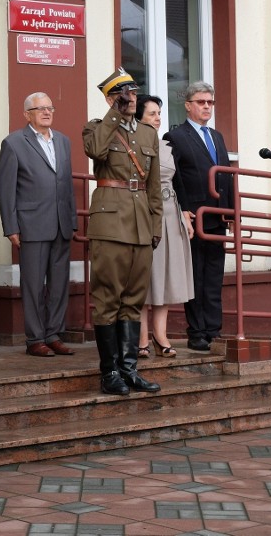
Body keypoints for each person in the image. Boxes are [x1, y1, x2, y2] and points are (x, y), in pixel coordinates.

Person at [82, 68, 162, 396]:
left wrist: (155, 226)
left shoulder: (147, 134)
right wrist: (114, 113)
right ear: (113, 98)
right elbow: (96, 152)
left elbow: (153, 186)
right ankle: (109, 371)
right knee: (107, 298)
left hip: (141, 222)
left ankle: (130, 370)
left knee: (133, 299)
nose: (132, 98)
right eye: (124, 94)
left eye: (134, 92)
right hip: (110, 223)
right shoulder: (96, 128)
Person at [0, 92, 77, 357]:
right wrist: (11, 226)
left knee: (58, 284)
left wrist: (72, 220)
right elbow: (5, 188)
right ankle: (35, 339)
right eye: (39, 108)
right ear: (26, 114)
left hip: (61, 224)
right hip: (31, 224)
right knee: (32, 284)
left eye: (49, 107)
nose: (46, 112)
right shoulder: (14, 143)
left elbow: (66, 185)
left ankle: (53, 334)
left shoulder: (63, 141)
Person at [163, 82, 234, 352]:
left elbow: (225, 174)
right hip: (193, 217)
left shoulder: (216, 136)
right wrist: (181, 210)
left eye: (210, 102)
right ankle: (197, 331)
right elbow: (175, 177)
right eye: (201, 102)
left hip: (218, 217)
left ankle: (213, 329)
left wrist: (231, 211)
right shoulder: (176, 136)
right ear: (188, 105)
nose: (206, 106)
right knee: (194, 275)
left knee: (214, 275)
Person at [135, 95, 195, 358]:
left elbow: (179, 184)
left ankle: (161, 336)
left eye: (159, 113)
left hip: (171, 215)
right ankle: (140, 340)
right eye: (152, 114)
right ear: (138, 118)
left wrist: (184, 216)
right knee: (144, 279)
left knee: (166, 278)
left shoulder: (169, 146)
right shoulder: (130, 145)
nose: (158, 118)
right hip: (143, 214)